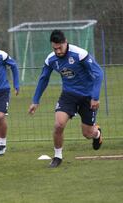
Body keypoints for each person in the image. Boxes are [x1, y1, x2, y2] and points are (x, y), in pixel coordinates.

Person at [28, 30, 103, 168]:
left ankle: (97, 133)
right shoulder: (51, 59)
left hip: (88, 97)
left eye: (59, 48)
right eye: (54, 48)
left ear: (65, 42)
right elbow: (43, 79)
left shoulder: (79, 54)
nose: (57, 51)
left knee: (87, 133)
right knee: (58, 125)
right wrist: (35, 101)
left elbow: (98, 73)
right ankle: (57, 156)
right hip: (68, 96)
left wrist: (95, 97)